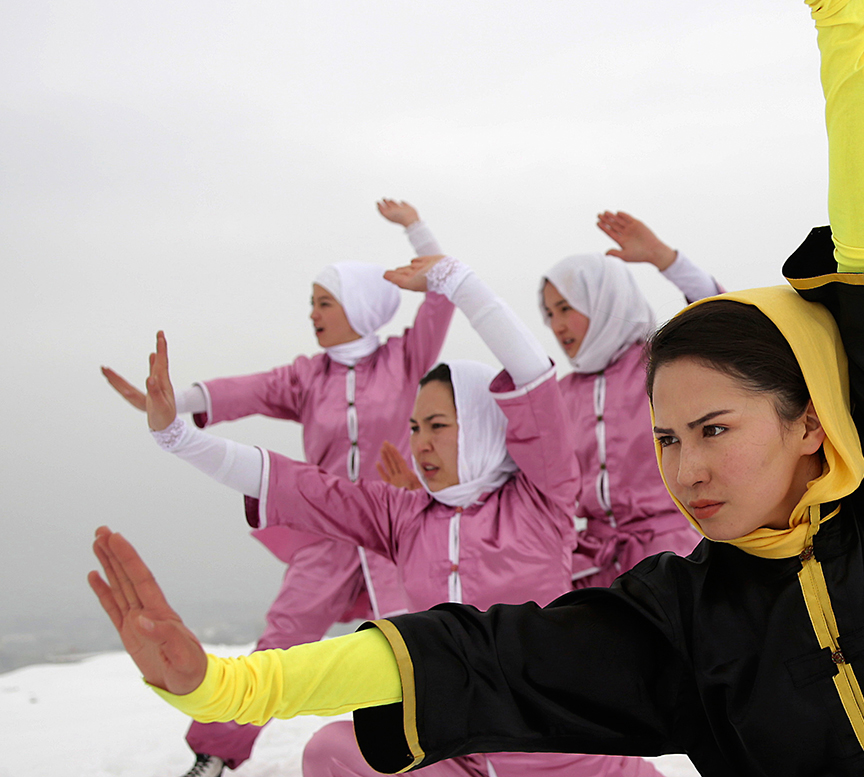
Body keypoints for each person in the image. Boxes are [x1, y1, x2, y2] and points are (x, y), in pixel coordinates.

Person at [89, 0, 864, 776]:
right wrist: (228, 683)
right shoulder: (681, 620)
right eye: (668, 437)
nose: (687, 466)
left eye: (712, 428)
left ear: (809, 421)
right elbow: (473, 654)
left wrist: (839, 6)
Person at [138, 252, 661, 777]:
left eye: (438, 425)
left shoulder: (541, 500)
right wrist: (179, 438)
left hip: (558, 747)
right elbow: (300, 486)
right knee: (331, 751)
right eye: (413, 429)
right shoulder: (404, 516)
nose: (421, 444)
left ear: (482, 425)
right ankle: (216, 748)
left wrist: (458, 282)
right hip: (455, 747)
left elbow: (532, 378)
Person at [99, 200, 454, 777]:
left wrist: (417, 229)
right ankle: (215, 754)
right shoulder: (306, 376)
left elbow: (441, 293)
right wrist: (169, 405)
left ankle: (433, 755)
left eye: (324, 302)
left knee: (415, 642)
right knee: (281, 642)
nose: (312, 313)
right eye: (311, 302)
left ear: (360, 307)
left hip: (400, 529)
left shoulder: (406, 358)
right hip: (328, 530)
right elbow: (246, 390)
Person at [545, 211, 719, 586]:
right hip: (591, 567)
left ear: (602, 300)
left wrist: (663, 258)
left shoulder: (660, 362)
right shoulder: (562, 392)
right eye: (548, 313)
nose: (556, 325)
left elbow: (717, 317)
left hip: (676, 557)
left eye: (565, 308)